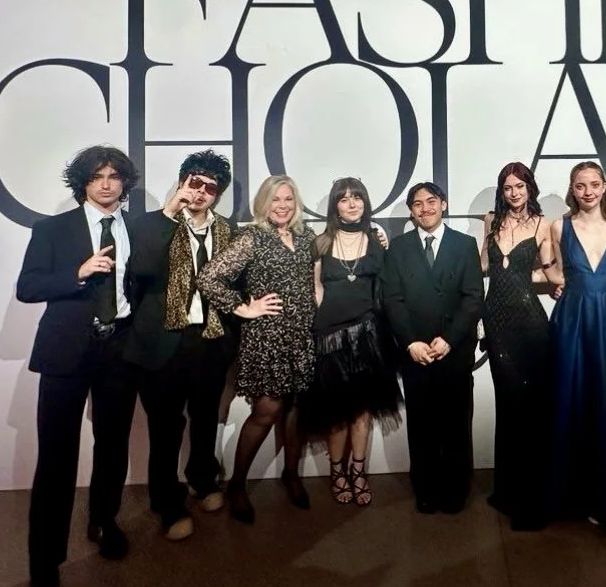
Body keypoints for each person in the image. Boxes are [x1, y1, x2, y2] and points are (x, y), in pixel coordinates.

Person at [4, 145, 141, 587]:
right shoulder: (53, 230)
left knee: (114, 444)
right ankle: (43, 576)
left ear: (124, 183)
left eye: (114, 176)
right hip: (65, 352)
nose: (106, 184)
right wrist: (78, 274)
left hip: (120, 350)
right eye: (97, 176)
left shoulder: (138, 228)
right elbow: (27, 286)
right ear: (82, 182)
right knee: (56, 461)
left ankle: (103, 521)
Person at [124, 150, 237, 542]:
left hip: (209, 342)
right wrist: (171, 212)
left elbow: (237, 284)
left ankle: (203, 482)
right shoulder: (150, 224)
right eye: (194, 183)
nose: (201, 192)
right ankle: (167, 502)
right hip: (162, 344)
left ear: (218, 194)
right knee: (166, 429)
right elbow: (141, 269)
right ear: (181, 182)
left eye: (210, 187)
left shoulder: (228, 231)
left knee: (206, 420)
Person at [198, 174, 316, 524]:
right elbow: (208, 277)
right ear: (263, 203)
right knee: (267, 410)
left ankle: (291, 475)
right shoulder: (252, 237)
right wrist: (242, 307)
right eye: (275, 199)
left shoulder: (307, 237)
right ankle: (237, 485)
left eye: (288, 199)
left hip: (302, 337)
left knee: (295, 408)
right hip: (267, 338)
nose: (282, 206)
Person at [547, 160, 606, 530]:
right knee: (571, 402)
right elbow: (557, 271)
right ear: (572, 189)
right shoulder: (560, 226)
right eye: (580, 185)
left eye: (594, 184)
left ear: (604, 187)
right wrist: (561, 284)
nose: (587, 192)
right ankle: (573, 497)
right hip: (572, 323)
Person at [381, 181, 484, 514]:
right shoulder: (398, 248)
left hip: (454, 351)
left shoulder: (465, 244)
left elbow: (473, 298)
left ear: (443, 204)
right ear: (411, 211)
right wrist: (410, 341)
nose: (424, 208)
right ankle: (424, 489)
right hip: (415, 353)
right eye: (417, 204)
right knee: (422, 426)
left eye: (431, 201)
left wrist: (450, 338)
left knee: (456, 424)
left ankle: (456, 490)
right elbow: (392, 299)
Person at [301, 177, 402, 506]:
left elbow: (385, 289)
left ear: (365, 202)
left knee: (362, 412)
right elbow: (316, 288)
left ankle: (358, 472)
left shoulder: (377, 240)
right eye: (344, 199)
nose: (352, 204)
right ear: (335, 206)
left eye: (357, 197)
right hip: (329, 338)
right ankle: (337, 473)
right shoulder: (320, 242)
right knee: (336, 414)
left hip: (368, 337)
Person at [480, 162, 554, 531]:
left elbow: (552, 271)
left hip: (530, 323)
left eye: (520, 186)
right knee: (508, 405)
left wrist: (567, 282)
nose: (514, 193)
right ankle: (507, 491)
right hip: (496, 323)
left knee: (532, 409)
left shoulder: (543, 225)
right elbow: (483, 266)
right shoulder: (491, 222)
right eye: (508, 187)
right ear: (502, 190)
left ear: (529, 188)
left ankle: (531, 500)